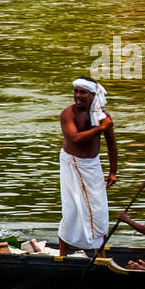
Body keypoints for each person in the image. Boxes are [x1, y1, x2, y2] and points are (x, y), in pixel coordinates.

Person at [59, 78, 118, 255]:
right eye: (76, 91)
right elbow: (74, 138)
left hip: (93, 165)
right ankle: (63, 255)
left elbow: (111, 145)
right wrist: (100, 129)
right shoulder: (68, 114)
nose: (77, 95)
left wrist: (113, 171)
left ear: (93, 95)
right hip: (73, 163)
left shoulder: (102, 116)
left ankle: (100, 256)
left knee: (99, 210)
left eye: (82, 92)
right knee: (72, 210)